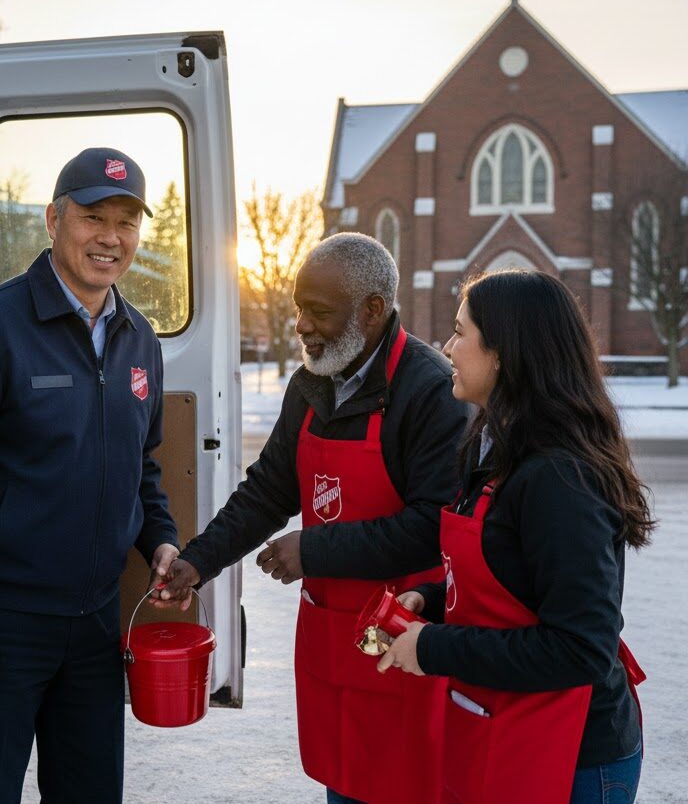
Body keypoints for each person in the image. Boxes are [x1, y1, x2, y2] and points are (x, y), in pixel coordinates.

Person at [0, 147, 180, 804]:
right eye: (93, 217)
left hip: (96, 624)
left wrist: (161, 539)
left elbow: (141, 463)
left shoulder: (140, 340)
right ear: (54, 220)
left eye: (126, 222)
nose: (110, 238)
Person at [160, 232, 469, 804]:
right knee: (343, 782)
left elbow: (434, 529)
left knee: (405, 784)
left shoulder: (430, 390)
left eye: (319, 312)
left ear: (372, 310)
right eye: (299, 309)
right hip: (333, 640)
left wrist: (314, 550)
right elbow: (269, 490)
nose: (301, 325)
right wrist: (199, 562)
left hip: (403, 642)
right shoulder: (312, 382)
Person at [379, 269, 652, 804]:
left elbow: (580, 648)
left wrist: (434, 647)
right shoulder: (493, 445)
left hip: (573, 758)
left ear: (504, 354)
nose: (446, 347)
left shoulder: (561, 477)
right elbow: (511, 577)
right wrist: (433, 601)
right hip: (504, 731)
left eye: (461, 332)